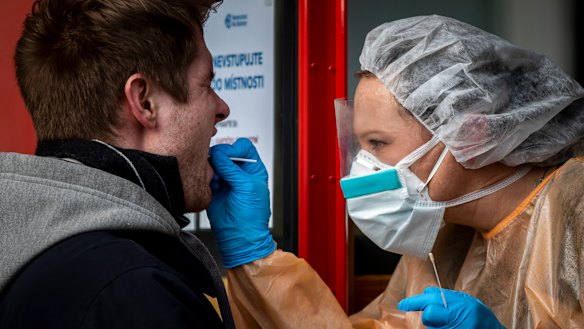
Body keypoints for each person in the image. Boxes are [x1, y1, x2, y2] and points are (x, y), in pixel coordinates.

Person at [206, 15, 584, 328]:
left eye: (378, 144)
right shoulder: (441, 236)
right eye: (361, 145)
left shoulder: (575, 206)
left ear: (471, 131)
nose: (362, 167)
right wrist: (253, 255)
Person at [0, 0, 239, 328]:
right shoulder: (135, 292)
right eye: (206, 84)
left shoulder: (36, 258)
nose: (222, 108)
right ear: (144, 101)